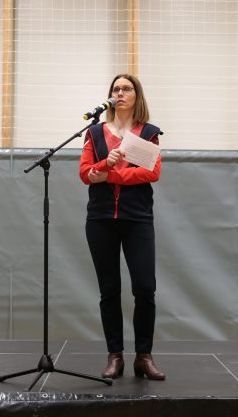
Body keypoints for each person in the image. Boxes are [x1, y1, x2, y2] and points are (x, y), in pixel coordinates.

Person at [78, 74, 165, 381]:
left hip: (137, 218)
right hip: (100, 219)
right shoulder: (94, 133)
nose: (121, 92)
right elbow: (85, 173)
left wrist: (111, 175)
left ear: (136, 95)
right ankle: (115, 355)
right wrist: (105, 164)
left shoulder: (149, 133)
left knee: (145, 287)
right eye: (116, 89)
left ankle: (144, 356)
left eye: (127, 88)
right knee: (109, 290)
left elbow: (152, 172)